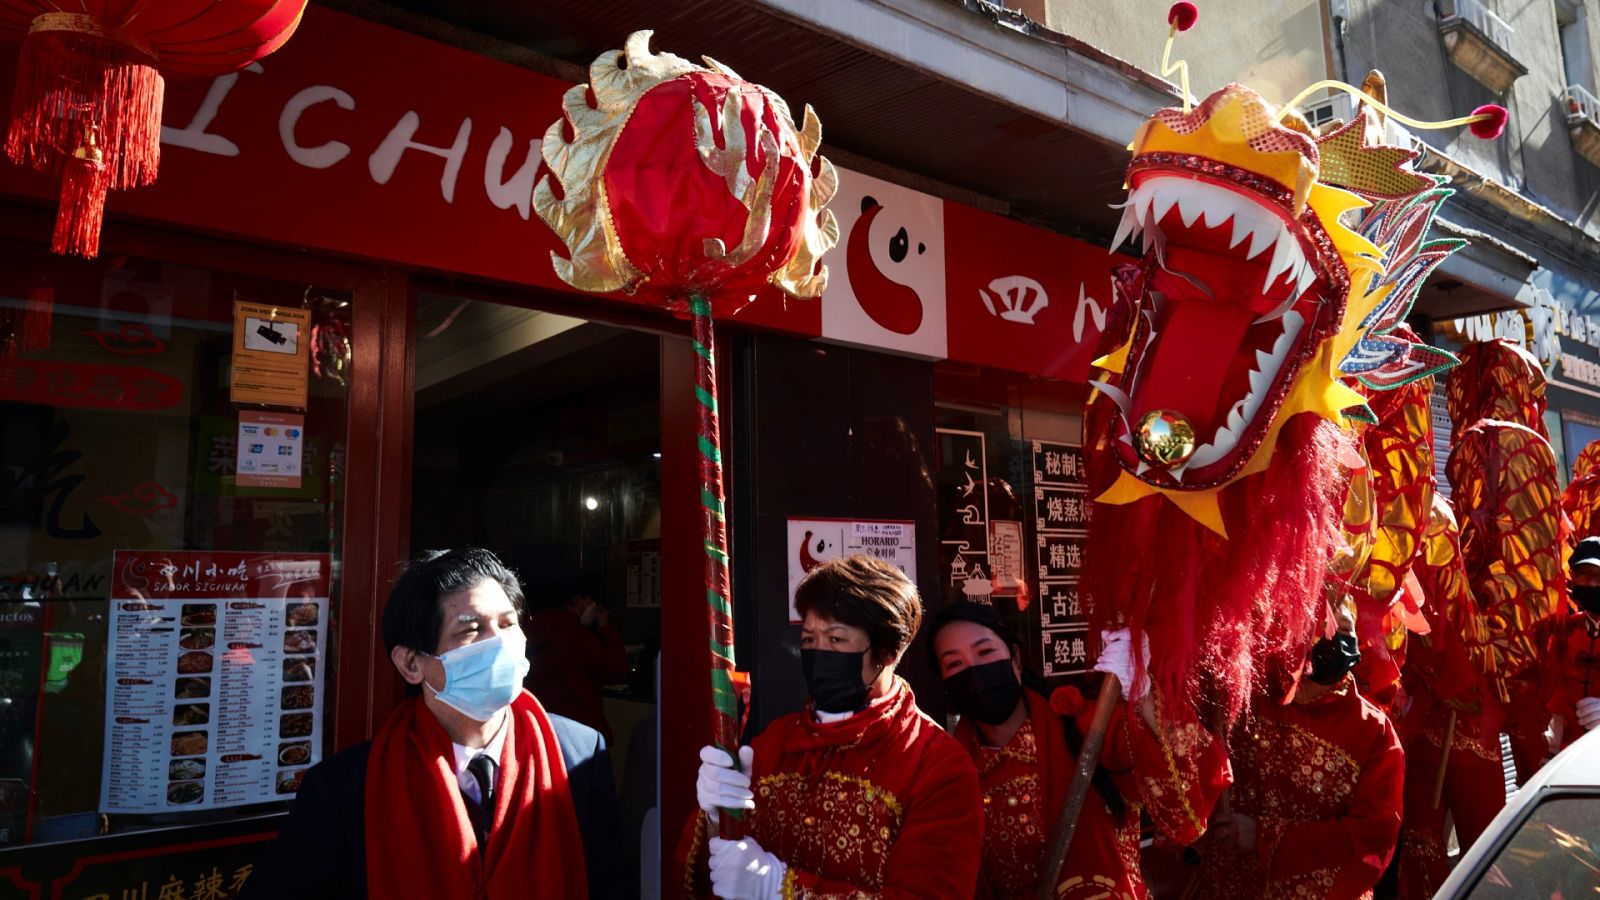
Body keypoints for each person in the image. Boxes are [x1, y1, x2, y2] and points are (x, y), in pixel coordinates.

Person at [244, 548, 626, 900]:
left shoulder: (579, 754)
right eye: (471, 630)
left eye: (508, 624)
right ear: (411, 664)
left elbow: (610, 885)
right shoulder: (345, 788)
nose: (500, 643)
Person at [680, 554, 983, 898]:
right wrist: (717, 816)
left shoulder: (937, 765)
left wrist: (783, 890)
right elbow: (717, 872)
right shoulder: (774, 743)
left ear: (887, 651)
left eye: (836, 639)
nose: (819, 652)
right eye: (809, 640)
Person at [929, 601, 1146, 899]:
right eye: (955, 664)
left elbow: (1179, 800)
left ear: (1016, 660)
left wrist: (1144, 697)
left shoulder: (1086, 728)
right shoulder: (946, 777)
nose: (975, 671)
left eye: (985, 652)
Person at [1193, 596, 1404, 900]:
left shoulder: (1373, 730)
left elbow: (1373, 837)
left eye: (1344, 628)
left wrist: (1265, 837)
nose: (1333, 638)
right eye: (1322, 628)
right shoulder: (1245, 694)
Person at [1395, 496, 1507, 900]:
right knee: (1420, 848)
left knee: (1487, 848)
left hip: (1470, 724)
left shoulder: (1466, 613)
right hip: (1419, 730)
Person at [524, 569, 630, 742]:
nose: (595, 607)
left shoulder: (529, 628)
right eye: (592, 602)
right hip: (579, 733)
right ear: (578, 601)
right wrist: (605, 627)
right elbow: (617, 671)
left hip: (538, 729)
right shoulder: (576, 635)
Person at [1546, 536, 1600, 754]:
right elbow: (1558, 691)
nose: (1592, 583)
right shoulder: (1567, 629)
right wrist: (1553, 748)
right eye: (1582, 575)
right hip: (1572, 753)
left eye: (1598, 575)